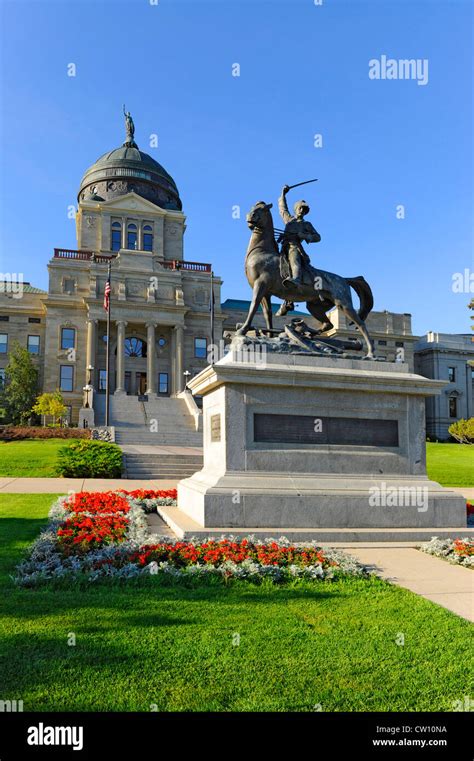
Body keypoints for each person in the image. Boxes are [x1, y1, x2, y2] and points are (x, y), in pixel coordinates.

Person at [278, 184, 321, 287]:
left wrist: (305, 236)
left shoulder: (306, 225)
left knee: (294, 256)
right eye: (300, 208)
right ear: (296, 208)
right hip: (283, 247)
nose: (302, 211)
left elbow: (318, 237)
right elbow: (282, 208)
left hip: (295, 247)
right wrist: (283, 194)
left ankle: (296, 279)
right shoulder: (289, 220)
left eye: (304, 209)